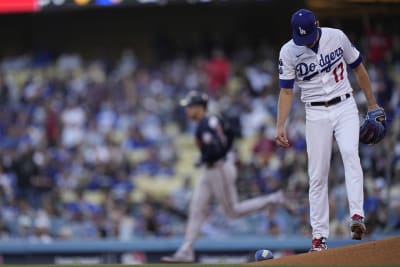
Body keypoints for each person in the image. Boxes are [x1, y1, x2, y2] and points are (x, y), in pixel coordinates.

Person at [276, 9, 384, 251]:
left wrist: (373, 103)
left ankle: (357, 216)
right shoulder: (288, 51)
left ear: (317, 24)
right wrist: (280, 124)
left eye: (310, 34)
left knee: (349, 153)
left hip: (345, 104)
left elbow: (359, 69)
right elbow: (286, 90)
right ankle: (319, 238)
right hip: (315, 112)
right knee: (317, 175)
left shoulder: (336, 37)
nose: (307, 40)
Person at [161, 90, 283, 263]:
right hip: (214, 168)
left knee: (233, 211)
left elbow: (216, 149)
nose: (187, 110)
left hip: (219, 168)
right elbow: (231, 133)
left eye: (190, 106)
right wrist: (223, 153)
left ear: (199, 107)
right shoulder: (214, 119)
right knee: (196, 208)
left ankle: (272, 199)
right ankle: (186, 250)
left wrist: (205, 157)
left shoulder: (205, 125)